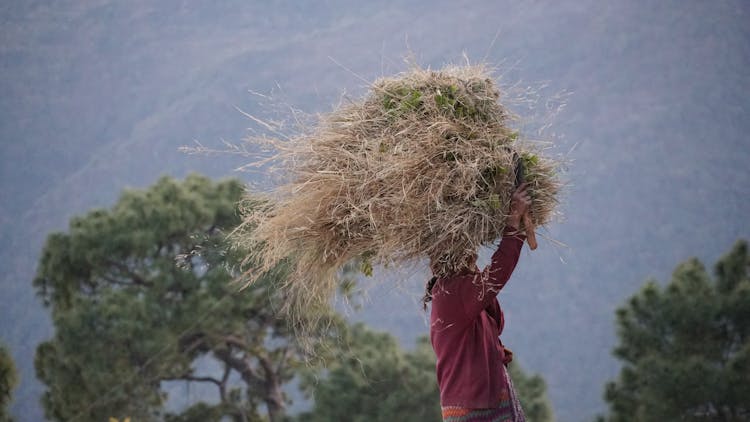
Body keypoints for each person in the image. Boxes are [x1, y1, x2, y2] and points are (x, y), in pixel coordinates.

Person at [424, 183, 532, 422]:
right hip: (475, 409)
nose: (473, 252)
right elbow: (496, 275)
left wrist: (474, 273)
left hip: (488, 401)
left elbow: (497, 321)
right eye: (468, 249)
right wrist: (513, 223)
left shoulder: (461, 289)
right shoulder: (452, 293)